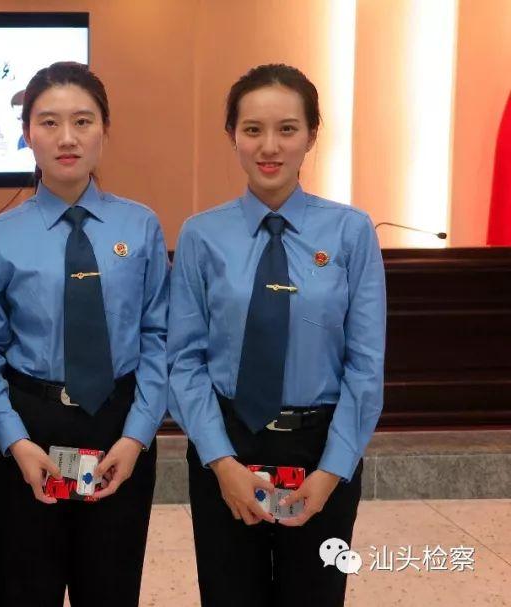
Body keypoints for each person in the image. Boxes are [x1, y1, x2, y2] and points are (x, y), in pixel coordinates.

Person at [167, 63, 386, 606]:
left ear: (311, 135)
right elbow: (184, 361)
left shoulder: (352, 231)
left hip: (320, 451)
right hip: (227, 447)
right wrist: (221, 463)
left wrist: (332, 471)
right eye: (253, 129)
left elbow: (365, 364)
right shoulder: (200, 235)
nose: (269, 146)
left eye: (287, 129)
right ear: (232, 135)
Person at [0, 61, 169, 607]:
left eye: (82, 121)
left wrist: (136, 436)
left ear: (105, 129)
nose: (67, 138)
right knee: (22, 590)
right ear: (26, 133)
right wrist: (14, 441)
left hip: (118, 424)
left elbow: (159, 337)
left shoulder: (141, 227)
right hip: (29, 426)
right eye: (49, 122)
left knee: (110, 587)